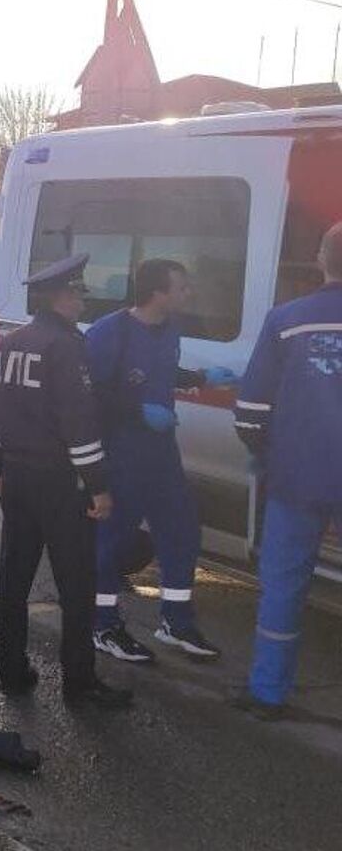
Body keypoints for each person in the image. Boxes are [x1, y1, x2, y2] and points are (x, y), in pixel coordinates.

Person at [0, 253, 132, 709]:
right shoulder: (66, 347)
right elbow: (79, 426)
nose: (82, 300)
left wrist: (1, 468)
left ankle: (10, 669)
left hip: (18, 479)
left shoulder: (10, 342)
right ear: (60, 296)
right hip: (61, 484)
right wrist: (99, 485)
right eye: (78, 291)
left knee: (14, 578)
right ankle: (79, 684)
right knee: (76, 584)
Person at [85, 259, 237, 663]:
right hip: (120, 456)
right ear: (158, 293)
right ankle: (102, 626)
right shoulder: (109, 333)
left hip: (161, 456)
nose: (188, 294)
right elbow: (91, 395)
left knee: (182, 532)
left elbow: (164, 372)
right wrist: (138, 414)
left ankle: (176, 620)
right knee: (110, 542)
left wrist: (201, 378)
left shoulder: (169, 330)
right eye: (182, 288)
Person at [234, 222, 342, 718]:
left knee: (283, 586)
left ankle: (268, 693)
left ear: (322, 258)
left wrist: (271, 457)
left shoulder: (287, 319)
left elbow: (250, 412)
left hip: (296, 479)